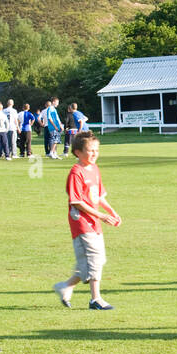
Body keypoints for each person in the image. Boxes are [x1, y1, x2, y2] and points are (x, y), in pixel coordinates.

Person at [52, 132, 122, 311]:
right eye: (90, 151)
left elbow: (99, 196)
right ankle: (95, 299)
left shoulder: (94, 168)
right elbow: (76, 201)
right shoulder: (76, 172)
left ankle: (66, 286)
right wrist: (101, 216)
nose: (94, 154)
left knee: (93, 260)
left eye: (96, 150)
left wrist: (111, 211)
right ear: (77, 152)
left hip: (93, 220)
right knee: (94, 259)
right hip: (81, 222)